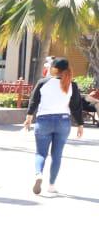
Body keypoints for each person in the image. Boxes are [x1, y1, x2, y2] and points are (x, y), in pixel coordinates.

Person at [23, 57, 85, 195]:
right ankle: (51, 185)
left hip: (44, 121)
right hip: (63, 121)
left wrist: (29, 117)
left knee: (40, 153)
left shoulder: (43, 82)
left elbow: (34, 100)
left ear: (53, 68)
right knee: (57, 155)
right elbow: (76, 107)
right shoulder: (72, 85)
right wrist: (80, 124)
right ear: (67, 69)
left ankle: (38, 174)